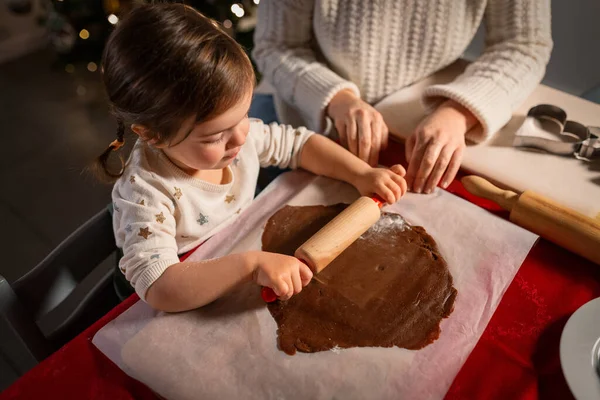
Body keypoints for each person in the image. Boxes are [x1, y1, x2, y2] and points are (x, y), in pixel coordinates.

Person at [94, 4, 407, 312]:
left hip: (237, 250)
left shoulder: (236, 137)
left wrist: (361, 174)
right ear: (152, 135)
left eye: (244, 116)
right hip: (172, 300)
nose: (242, 137)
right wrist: (250, 266)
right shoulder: (145, 194)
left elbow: (300, 146)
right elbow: (160, 287)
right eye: (216, 136)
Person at [253, 0, 553, 194]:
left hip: (417, 116)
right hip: (300, 117)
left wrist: (458, 113)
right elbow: (275, 46)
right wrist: (338, 99)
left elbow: (525, 44)